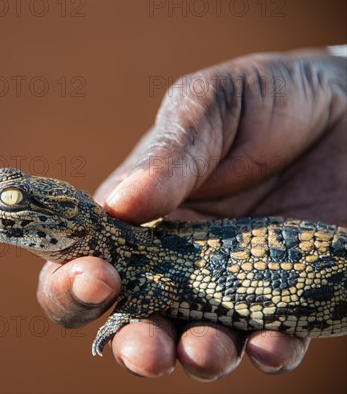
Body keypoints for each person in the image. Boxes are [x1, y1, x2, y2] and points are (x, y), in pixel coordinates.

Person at [37, 46, 347, 381]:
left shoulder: (138, 257)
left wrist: (125, 312)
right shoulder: (133, 249)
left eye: (11, 200)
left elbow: (159, 289)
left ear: (66, 212)